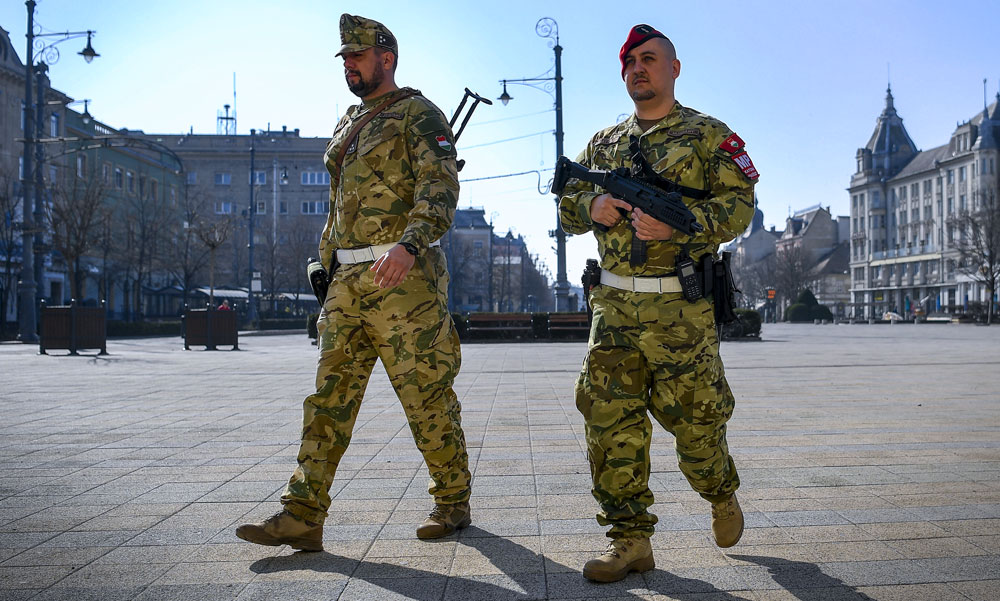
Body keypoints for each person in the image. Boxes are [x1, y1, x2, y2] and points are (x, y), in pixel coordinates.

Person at [236, 14, 471, 552]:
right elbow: (341, 203)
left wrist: (410, 246)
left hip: (403, 281)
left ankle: (452, 499)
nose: (349, 65)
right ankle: (302, 513)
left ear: (386, 59)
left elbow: (440, 188)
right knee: (328, 398)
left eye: (357, 56)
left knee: (425, 396)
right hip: (347, 281)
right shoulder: (349, 122)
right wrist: (323, 263)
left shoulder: (419, 113)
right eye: (344, 57)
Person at [557, 24, 757, 582]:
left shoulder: (707, 136)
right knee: (608, 424)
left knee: (697, 425)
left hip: (680, 313)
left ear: (674, 68)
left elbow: (741, 207)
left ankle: (720, 491)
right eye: (629, 64)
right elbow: (565, 202)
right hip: (614, 309)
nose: (638, 69)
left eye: (649, 59)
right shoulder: (602, 144)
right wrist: (590, 207)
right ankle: (630, 541)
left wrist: (681, 231)